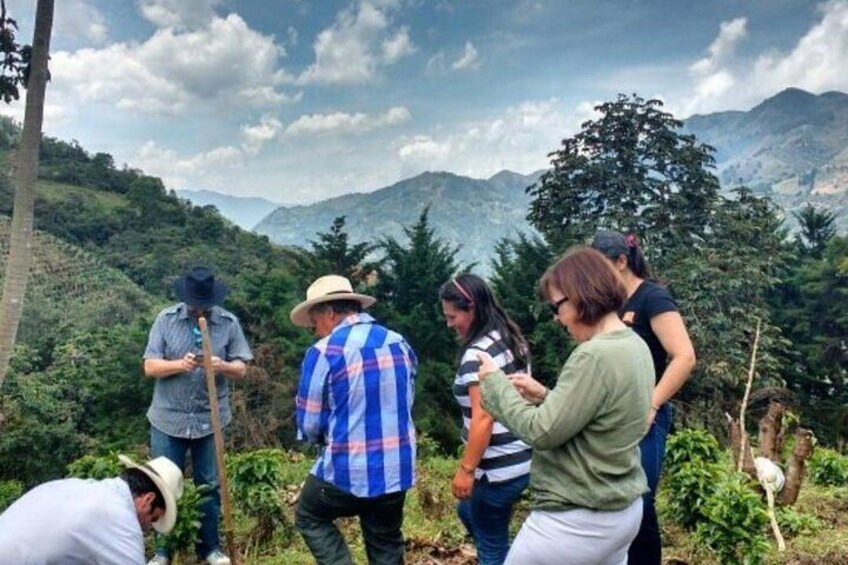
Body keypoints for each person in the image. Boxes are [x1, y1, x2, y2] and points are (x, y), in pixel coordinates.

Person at [476, 246, 655, 564]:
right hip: (623, 511)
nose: (557, 318)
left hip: (577, 521)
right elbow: (601, 417)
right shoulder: (634, 344)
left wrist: (494, 384)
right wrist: (547, 397)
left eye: (557, 306)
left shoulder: (592, 355)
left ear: (582, 295)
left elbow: (542, 431)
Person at [291, 274, 418, 565]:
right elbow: (406, 401)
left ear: (330, 313)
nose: (315, 330)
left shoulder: (324, 352)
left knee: (309, 515)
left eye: (315, 322)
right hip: (396, 469)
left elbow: (309, 424)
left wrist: (327, 435)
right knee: (385, 539)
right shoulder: (398, 343)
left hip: (347, 470)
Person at [592, 230, 696, 565]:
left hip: (645, 418)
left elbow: (684, 356)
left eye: (600, 265)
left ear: (622, 262)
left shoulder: (653, 298)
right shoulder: (607, 302)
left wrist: (652, 404)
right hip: (608, 417)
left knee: (640, 500)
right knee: (611, 500)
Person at [143, 266, 253, 565]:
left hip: (211, 419)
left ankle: (210, 549)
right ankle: (163, 551)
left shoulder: (228, 323)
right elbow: (150, 366)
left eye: (204, 302)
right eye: (194, 302)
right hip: (168, 419)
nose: (199, 308)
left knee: (210, 485)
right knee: (162, 485)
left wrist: (222, 366)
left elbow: (242, 367)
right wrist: (180, 364)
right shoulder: (165, 320)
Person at [438, 274, 531, 565]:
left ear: (472, 308)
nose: (450, 324)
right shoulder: (509, 337)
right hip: (523, 457)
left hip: (497, 469)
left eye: (453, 316)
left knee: (491, 548)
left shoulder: (476, 356)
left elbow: (483, 418)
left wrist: (466, 470)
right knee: (468, 512)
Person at [0, 455, 183, 564]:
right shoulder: (120, 518)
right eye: (152, 518)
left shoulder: (79, 487)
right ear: (147, 500)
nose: (147, 527)